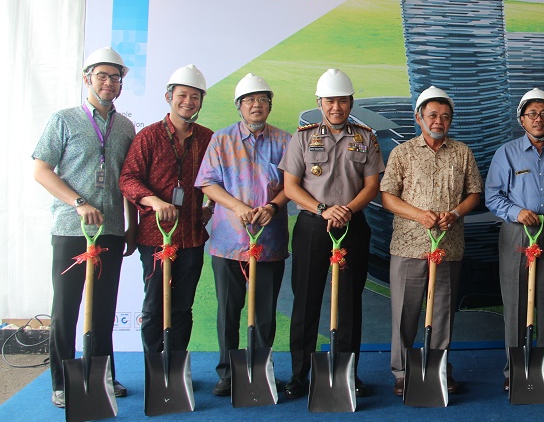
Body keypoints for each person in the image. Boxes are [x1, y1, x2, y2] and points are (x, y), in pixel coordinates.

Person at [33, 47, 136, 408]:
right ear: (87, 78)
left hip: (110, 229)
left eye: (116, 77)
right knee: (67, 308)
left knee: (104, 307)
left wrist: (132, 225)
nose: (109, 83)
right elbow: (41, 170)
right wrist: (78, 203)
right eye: (102, 76)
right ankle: (62, 383)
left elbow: (129, 179)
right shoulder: (63, 120)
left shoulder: (125, 126)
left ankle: (101, 374)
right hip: (71, 230)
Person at [279, 68, 384, 399]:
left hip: (353, 224)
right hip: (313, 225)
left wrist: (347, 209)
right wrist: (324, 209)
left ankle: (346, 372)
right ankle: (299, 375)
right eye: (329, 101)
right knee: (306, 300)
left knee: (350, 302)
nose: (335, 107)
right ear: (319, 102)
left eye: (341, 100)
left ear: (351, 102)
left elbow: (372, 186)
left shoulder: (365, 137)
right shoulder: (302, 137)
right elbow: (291, 187)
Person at [381, 86, 483, 396]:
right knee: (405, 312)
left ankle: (439, 368)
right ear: (418, 117)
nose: (438, 121)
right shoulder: (402, 152)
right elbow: (387, 196)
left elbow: (475, 194)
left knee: (441, 313)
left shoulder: (462, 152)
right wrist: (418, 215)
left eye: (445, 117)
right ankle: (402, 372)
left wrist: (454, 213)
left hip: (448, 246)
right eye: (432, 115)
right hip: (409, 246)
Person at [195, 73, 292, 396]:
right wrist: (236, 206)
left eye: (262, 100)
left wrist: (274, 207)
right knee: (228, 310)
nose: (256, 105)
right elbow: (208, 182)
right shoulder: (221, 140)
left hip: (269, 241)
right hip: (228, 242)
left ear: (269, 105)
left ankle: (260, 368)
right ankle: (227, 373)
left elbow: (293, 186)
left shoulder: (284, 141)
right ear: (239, 106)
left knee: (264, 311)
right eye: (249, 100)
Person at [486, 89, 544, 392]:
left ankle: (543, 369)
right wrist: (516, 211)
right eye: (532, 114)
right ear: (521, 119)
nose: (538, 119)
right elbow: (492, 196)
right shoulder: (507, 153)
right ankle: (513, 369)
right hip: (517, 233)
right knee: (515, 302)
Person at [119, 64, 214, 356]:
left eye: (195, 96)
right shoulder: (148, 137)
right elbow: (128, 179)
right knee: (155, 304)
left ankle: (175, 365)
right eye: (182, 95)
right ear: (168, 97)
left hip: (192, 236)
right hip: (155, 237)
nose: (188, 101)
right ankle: (154, 364)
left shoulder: (208, 138)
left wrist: (210, 204)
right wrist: (155, 201)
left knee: (183, 305)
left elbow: (217, 178)